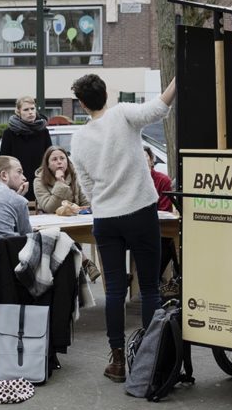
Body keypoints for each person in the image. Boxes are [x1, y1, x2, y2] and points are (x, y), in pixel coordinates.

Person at [69, 73, 177, 383]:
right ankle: (148, 355)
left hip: (106, 219)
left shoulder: (79, 138)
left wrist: (102, 202)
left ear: (81, 104)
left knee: (114, 290)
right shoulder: (122, 115)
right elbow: (158, 108)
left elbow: (86, 183)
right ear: (107, 92)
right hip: (141, 211)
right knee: (149, 287)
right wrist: (176, 80)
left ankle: (117, 359)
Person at [34, 145, 102, 282]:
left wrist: (83, 207)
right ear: (47, 164)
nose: (59, 162)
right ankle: (85, 262)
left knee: (102, 232)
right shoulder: (39, 181)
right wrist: (60, 183)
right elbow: (48, 206)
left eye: (62, 158)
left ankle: (112, 273)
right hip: (52, 225)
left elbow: (85, 201)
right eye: (54, 159)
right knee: (64, 235)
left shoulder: (75, 176)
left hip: (75, 221)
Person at [0, 96, 52, 203]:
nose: (30, 112)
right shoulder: (9, 133)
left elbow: (49, 156)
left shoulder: (43, 131)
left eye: (32, 109)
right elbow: (3, 160)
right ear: (18, 112)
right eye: (26, 110)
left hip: (39, 180)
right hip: (16, 181)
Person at [146, 145, 180, 298]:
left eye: (145, 159)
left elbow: (165, 208)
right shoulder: (130, 182)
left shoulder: (162, 180)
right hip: (136, 228)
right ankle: (159, 282)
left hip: (159, 226)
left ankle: (156, 281)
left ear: (152, 161)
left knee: (168, 240)